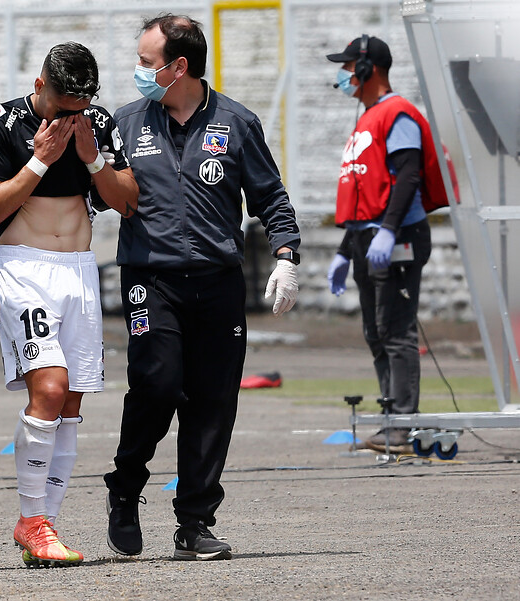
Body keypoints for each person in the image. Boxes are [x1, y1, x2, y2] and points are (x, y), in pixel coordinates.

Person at [103, 14, 301, 561]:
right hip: (150, 279)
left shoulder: (237, 123)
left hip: (217, 282)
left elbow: (271, 198)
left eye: (147, 62)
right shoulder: (124, 123)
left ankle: (194, 520)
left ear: (179, 66)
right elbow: (99, 196)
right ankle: (124, 485)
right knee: (159, 385)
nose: (138, 71)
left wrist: (287, 256)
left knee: (213, 400)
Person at [0, 41, 138, 568]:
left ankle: (45, 525)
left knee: (71, 403)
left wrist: (91, 156)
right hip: (25, 268)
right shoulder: (4, 122)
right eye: (65, 108)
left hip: (79, 271)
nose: (73, 118)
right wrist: (40, 160)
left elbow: (128, 200)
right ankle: (30, 519)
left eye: (81, 108)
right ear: (41, 87)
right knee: (50, 385)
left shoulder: (97, 122)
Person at [326, 36, 433, 452]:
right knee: (375, 331)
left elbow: (408, 176)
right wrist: (342, 251)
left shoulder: (398, 114)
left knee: (397, 330)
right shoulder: (368, 118)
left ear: (368, 68)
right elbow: (361, 192)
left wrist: (389, 229)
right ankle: (391, 416)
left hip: (397, 236)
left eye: (348, 66)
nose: (343, 75)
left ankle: (403, 424)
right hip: (365, 238)